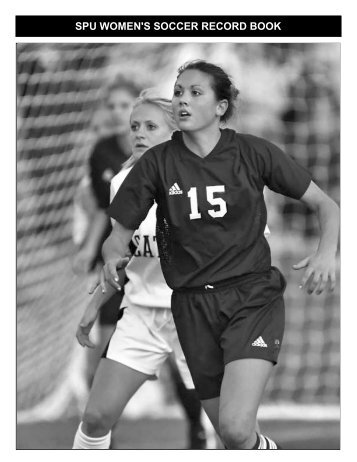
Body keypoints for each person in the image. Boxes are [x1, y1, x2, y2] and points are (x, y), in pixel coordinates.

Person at [101, 60, 340, 450]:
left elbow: (327, 205)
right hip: (192, 308)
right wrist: (113, 256)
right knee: (234, 439)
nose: (182, 100)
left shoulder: (253, 152)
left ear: (221, 107)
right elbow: (117, 236)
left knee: (234, 426)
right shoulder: (157, 164)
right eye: (179, 91)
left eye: (196, 93)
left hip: (251, 299)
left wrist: (326, 253)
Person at [73, 89, 210, 450]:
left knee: (233, 427)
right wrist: (91, 307)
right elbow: (120, 255)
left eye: (150, 126)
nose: (139, 133)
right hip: (141, 315)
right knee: (95, 418)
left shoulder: (206, 184)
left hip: (196, 315)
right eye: (135, 126)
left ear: (175, 135)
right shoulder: (122, 182)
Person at [72, 77, 140, 382]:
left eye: (124, 105)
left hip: (158, 258)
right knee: (108, 334)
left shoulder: (161, 150)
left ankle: (198, 425)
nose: (116, 112)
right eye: (111, 105)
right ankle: (99, 419)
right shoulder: (102, 151)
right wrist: (87, 249)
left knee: (175, 345)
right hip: (117, 255)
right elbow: (103, 208)